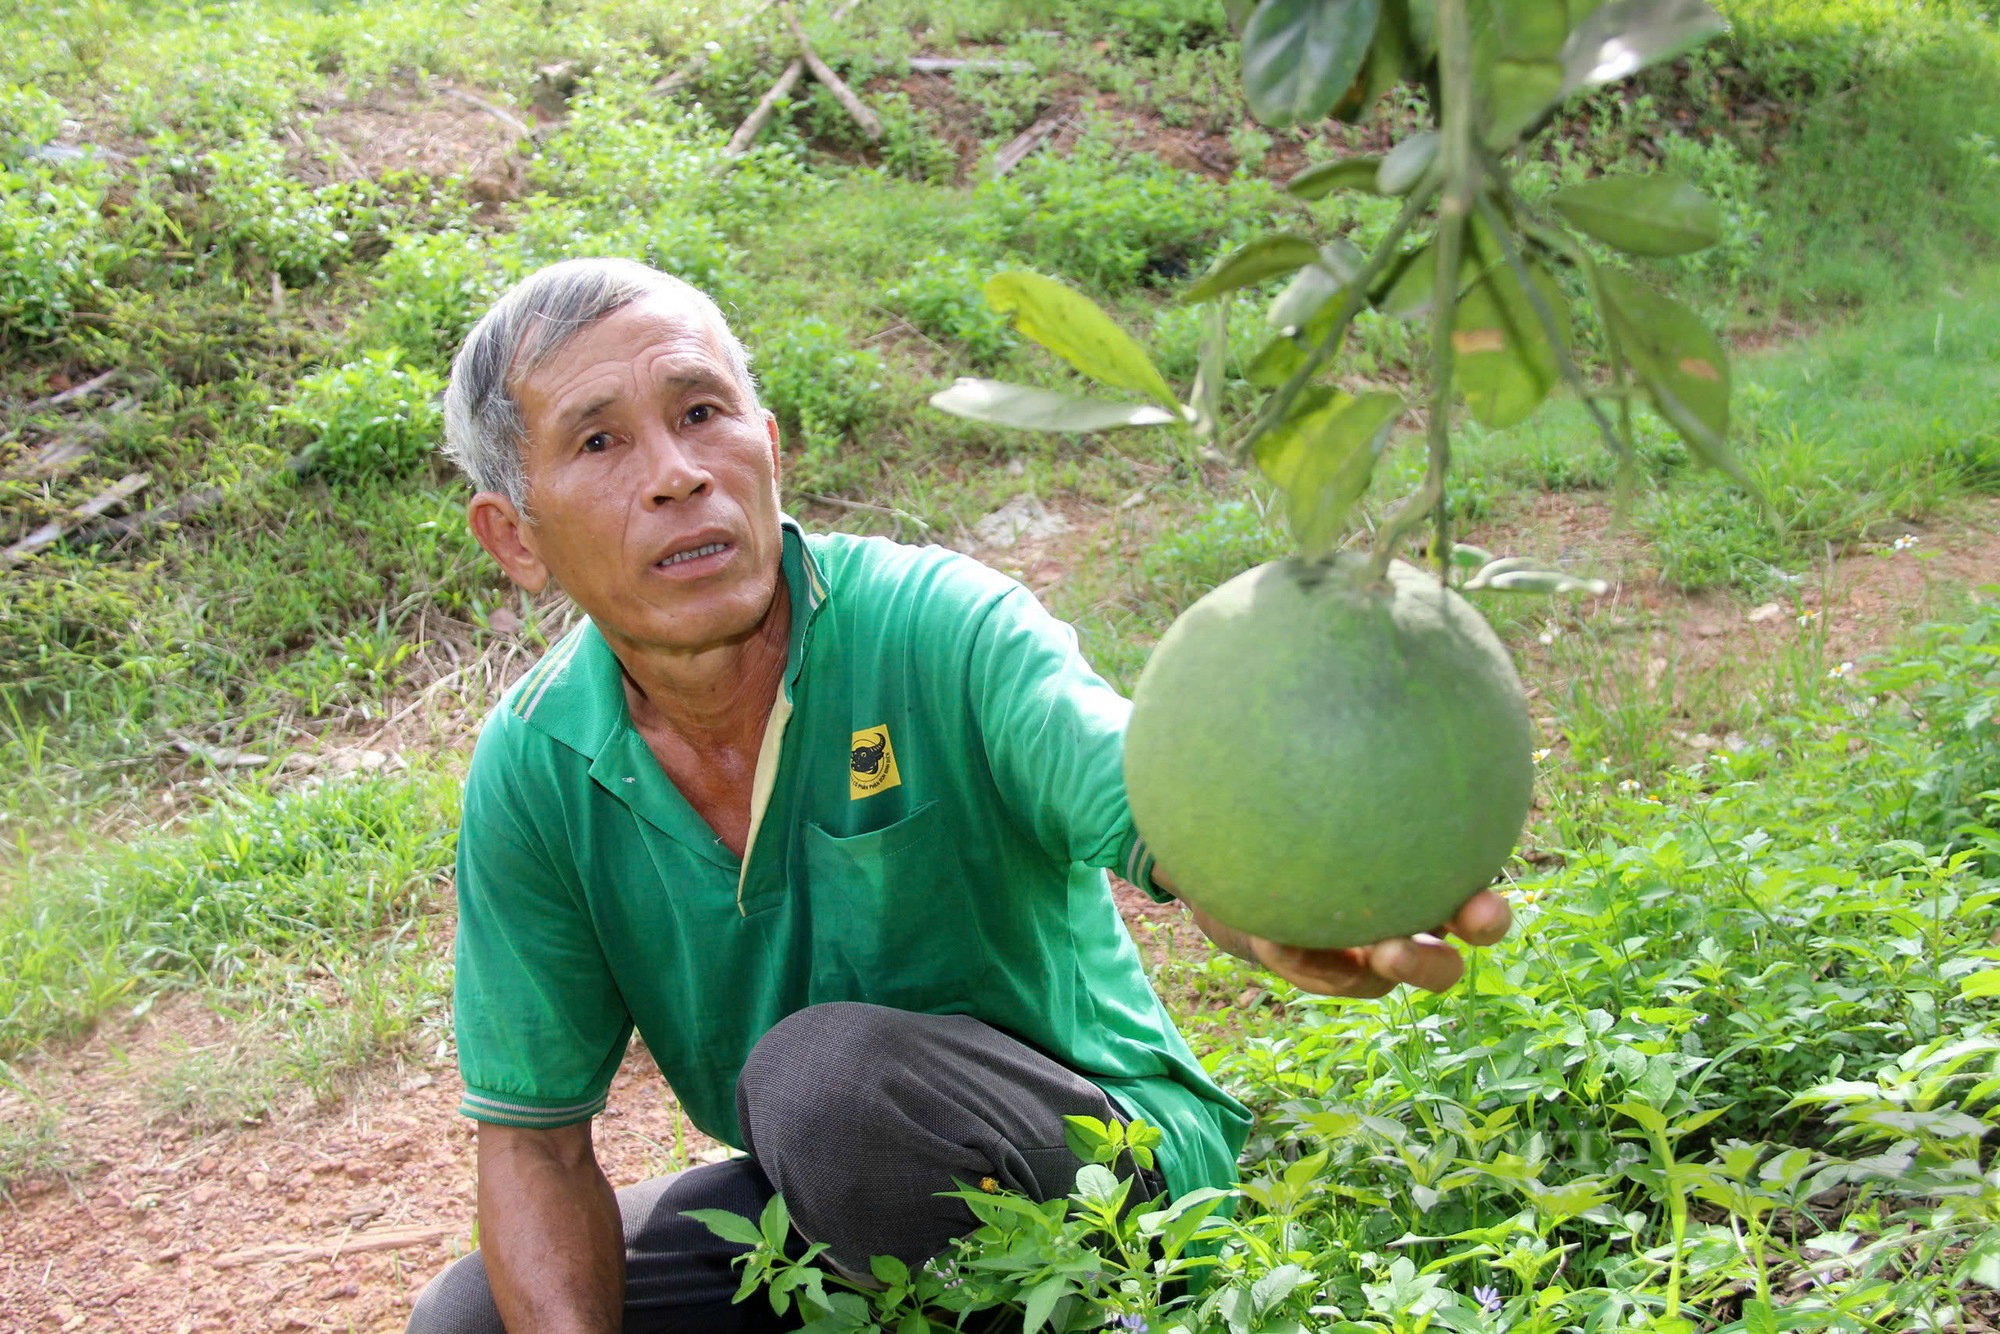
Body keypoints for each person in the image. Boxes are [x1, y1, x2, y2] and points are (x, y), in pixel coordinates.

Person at [407, 258, 1513, 1334]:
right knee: (472, 1315)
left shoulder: (942, 625)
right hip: (841, 1188)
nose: (676, 471)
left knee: (823, 1084)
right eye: (599, 440)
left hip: (1107, 1174)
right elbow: (534, 1142)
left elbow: (1155, 807)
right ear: (515, 534)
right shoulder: (539, 765)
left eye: (701, 412)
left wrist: (1289, 896)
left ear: (768, 447)